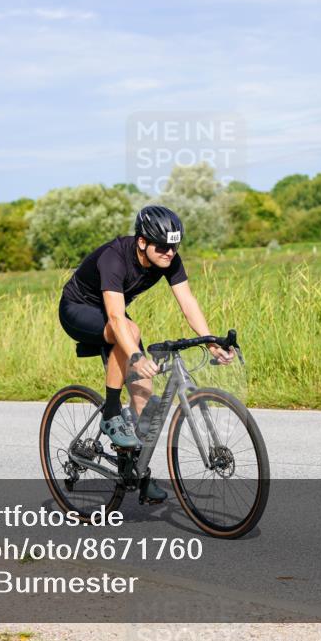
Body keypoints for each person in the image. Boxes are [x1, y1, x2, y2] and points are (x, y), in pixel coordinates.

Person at [58, 205, 234, 503]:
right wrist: (136, 356)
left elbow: (187, 301)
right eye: (163, 246)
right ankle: (112, 411)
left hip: (112, 314)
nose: (169, 252)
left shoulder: (169, 261)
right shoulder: (115, 257)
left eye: (175, 246)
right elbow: (115, 319)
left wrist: (210, 341)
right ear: (142, 242)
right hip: (77, 309)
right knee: (130, 331)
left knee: (143, 394)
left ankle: (137, 476)